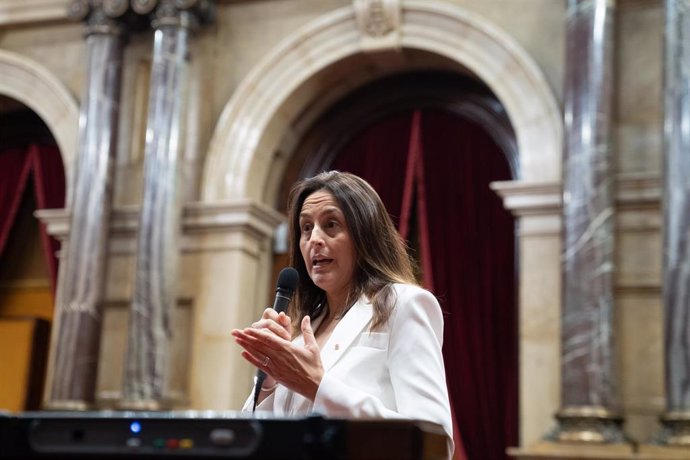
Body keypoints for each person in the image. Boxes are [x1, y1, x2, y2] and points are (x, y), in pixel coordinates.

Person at [232, 171, 454, 456]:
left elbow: (433, 440)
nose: (314, 239)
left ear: (365, 234)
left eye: (331, 224)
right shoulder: (301, 333)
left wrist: (318, 386)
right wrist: (269, 383)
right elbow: (251, 442)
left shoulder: (405, 305)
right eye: (306, 228)